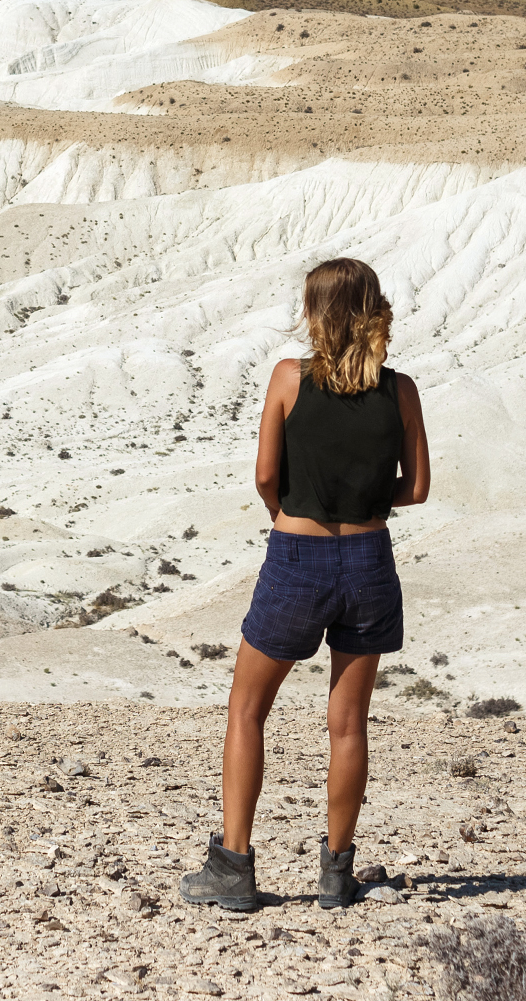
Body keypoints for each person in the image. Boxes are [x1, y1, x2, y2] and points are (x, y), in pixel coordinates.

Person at [180, 257, 433, 913]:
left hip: (297, 557)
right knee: (348, 725)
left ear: (316, 313)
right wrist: (365, 496)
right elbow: (419, 487)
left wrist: (287, 513)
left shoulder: (289, 380)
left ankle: (234, 871)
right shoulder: (400, 391)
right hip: (371, 560)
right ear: (374, 311)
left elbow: (266, 474)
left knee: (247, 709)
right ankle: (336, 876)